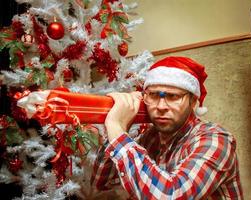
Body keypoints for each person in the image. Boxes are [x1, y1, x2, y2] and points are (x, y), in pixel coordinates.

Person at [95, 56, 243, 199]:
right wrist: (121, 128)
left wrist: (117, 128)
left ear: (193, 101)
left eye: (173, 96)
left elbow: (171, 195)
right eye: (153, 95)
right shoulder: (150, 137)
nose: (160, 106)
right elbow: (103, 183)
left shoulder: (216, 141)